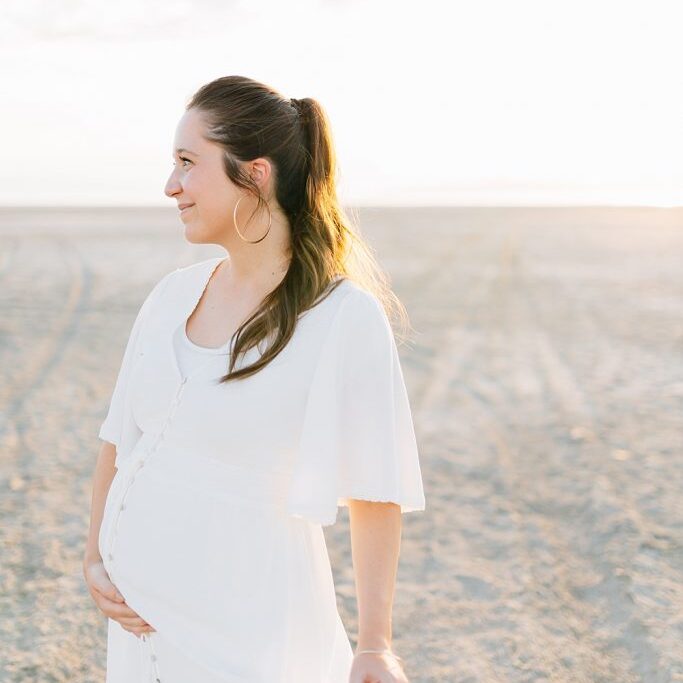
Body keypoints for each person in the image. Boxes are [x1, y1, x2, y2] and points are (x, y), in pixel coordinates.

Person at [82, 75, 426, 683]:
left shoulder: (342, 316)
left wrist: (375, 644)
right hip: (137, 631)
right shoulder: (171, 295)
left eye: (188, 163)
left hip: (251, 636)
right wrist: (95, 561)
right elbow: (118, 442)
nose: (171, 186)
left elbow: (377, 487)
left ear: (256, 174)